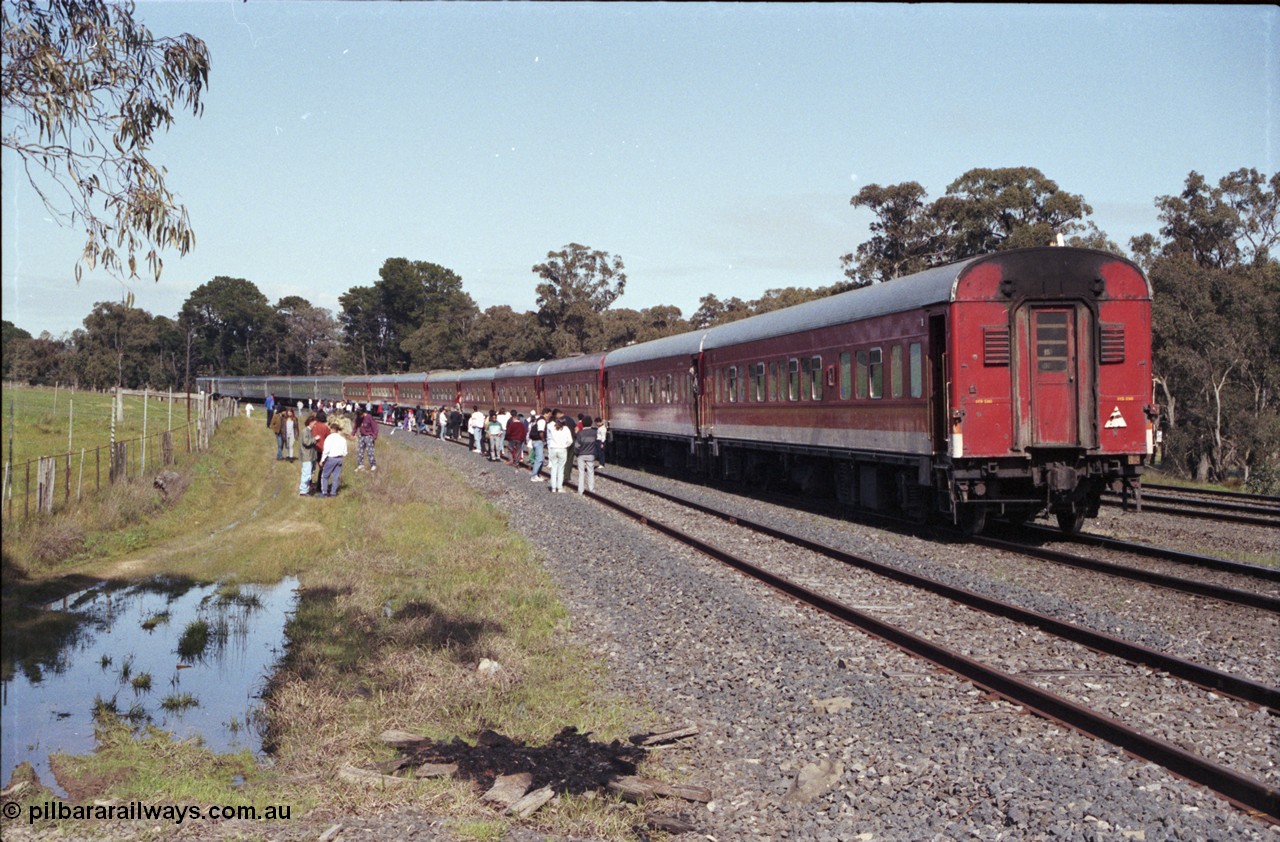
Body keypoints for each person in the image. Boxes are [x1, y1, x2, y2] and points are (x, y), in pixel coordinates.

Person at [546, 411, 575, 493]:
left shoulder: (552, 428)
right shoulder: (566, 429)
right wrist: (565, 445)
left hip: (553, 449)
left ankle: (553, 488)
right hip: (562, 449)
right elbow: (570, 441)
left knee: (554, 468)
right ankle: (559, 487)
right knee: (561, 469)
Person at [319, 420, 349, 498]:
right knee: (336, 477)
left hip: (331, 458)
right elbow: (345, 452)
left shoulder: (329, 438)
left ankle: (324, 492)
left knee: (325, 476)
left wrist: (322, 460)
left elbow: (326, 450)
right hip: (339, 459)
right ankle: (333, 493)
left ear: (332, 429)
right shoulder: (342, 439)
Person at [574, 415, 601, 495]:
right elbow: (597, 444)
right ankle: (591, 489)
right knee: (591, 472)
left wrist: (577, 453)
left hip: (581, 455)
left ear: (582, 424)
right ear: (591, 423)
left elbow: (577, 446)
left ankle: (580, 490)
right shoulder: (594, 433)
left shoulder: (580, 433)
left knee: (581, 473)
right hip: (591, 455)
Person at [311, 411, 332, 492]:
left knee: (311, 468)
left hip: (313, 449)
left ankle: (308, 484)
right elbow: (329, 438)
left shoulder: (314, 426)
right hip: (322, 449)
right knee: (322, 468)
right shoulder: (325, 427)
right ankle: (320, 486)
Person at [298, 414, 318, 495]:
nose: (315, 425)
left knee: (309, 473)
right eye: (314, 423)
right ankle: (303, 491)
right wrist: (315, 439)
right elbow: (306, 442)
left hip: (310, 456)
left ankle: (306, 488)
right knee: (306, 473)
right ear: (310, 422)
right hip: (306, 456)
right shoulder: (305, 431)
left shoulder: (309, 431)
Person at [528, 408, 550, 482]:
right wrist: (543, 440)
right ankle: (534, 476)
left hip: (536, 441)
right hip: (538, 441)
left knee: (540, 458)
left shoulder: (539, 419)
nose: (549, 416)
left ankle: (537, 475)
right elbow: (541, 431)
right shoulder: (542, 420)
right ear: (546, 413)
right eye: (549, 414)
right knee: (539, 459)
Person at [355, 407, 379, 471]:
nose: (360, 417)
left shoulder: (369, 417)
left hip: (369, 436)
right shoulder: (357, 418)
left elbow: (375, 426)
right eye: (359, 416)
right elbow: (355, 426)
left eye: (361, 415)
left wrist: (374, 436)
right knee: (360, 451)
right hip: (361, 436)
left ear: (363, 413)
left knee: (369, 451)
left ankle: (373, 465)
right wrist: (352, 434)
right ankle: (360, 465)